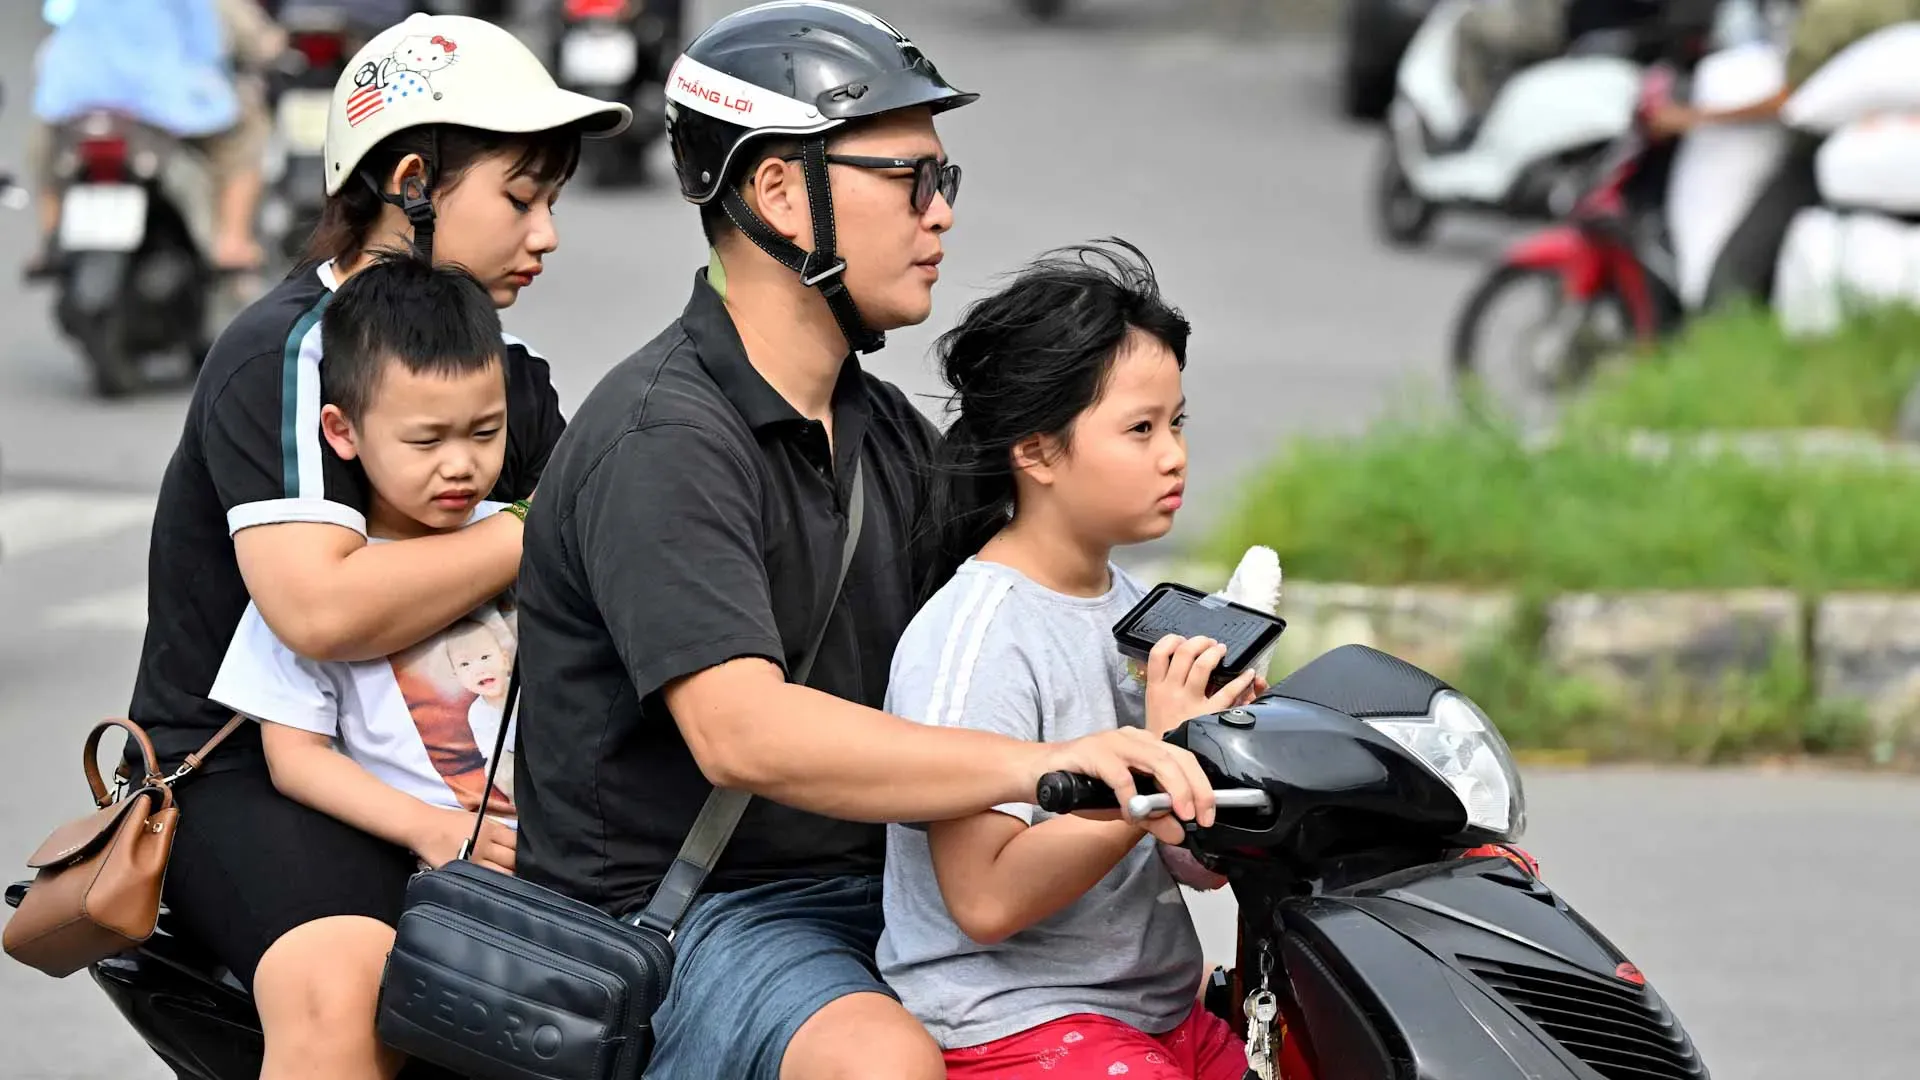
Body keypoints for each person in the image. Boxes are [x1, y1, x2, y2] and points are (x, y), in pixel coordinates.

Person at [511, 5, 1219, 1080]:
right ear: (781, 192)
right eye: (910, 180)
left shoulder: (879, 427)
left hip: (881, 886)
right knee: (880, 1063)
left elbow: (1022, 588)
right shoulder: (665, 439)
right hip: (697, 919)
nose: (940, 217)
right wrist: (1047, 766)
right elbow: (744, 735)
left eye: (948, 184)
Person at [126, 12, 627, 1080]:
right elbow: (320, 608)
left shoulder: (510, 374)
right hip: (250, 767)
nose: (546, 235)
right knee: (352, 985)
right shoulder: (292, 351)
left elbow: (609, 572)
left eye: (553, 203)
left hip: (463, 752)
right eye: (522, 198)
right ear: (412, 180)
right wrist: (541, 526)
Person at [875, 239, 1257, 1080]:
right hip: (1016, 1025)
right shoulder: (980, 638)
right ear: (1039, 452)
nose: (1174, 454)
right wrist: (1153, 779)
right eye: (1140, 429)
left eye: (1177, 422)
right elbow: (983, 899)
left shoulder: (1133, 609)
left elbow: (1194, 866)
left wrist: (1215, 748)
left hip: (1157, 1012)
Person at [203, 256, 522, 1078]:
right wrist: (432, 830)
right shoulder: (332, 584)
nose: (460, 465)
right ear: (343, 432)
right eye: (426, 440)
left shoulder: (517, 541)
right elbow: (293, 757)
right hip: (436, 881)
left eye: (484, 433)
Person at [1649, 0, 1920, 305]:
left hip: (1816, 148)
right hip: (1877, 132)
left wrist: (1690, 118)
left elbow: (1791, 102)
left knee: (1735, 274)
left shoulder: (1827, 17)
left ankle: (1722, 312)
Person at [26, 0, 285, 273]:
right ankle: (233, 241)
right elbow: (254, 39)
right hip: (167, 103)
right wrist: (273, 45)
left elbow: (56, 20)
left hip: (79, 102)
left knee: (48, 145)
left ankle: (51, 231)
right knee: (243, 133)